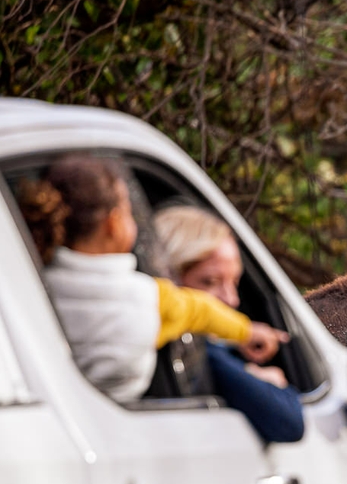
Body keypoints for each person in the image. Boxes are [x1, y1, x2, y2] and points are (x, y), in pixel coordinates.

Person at [19, 154, 287, 406]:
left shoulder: (29, 285)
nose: (231, 297)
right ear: (114, 224)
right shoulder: (145, 298)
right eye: (129, 211)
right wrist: (247, 331)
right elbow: (200, 311)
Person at [154, 205, 304, 442]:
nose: (231, 299)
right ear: (170, 278)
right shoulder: (192, 350)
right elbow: (289, 422)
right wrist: (264, 384)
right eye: (211, 281)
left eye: (235, 282)